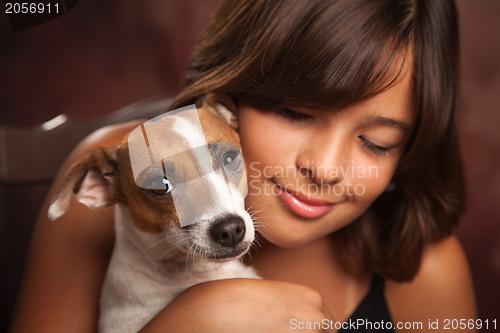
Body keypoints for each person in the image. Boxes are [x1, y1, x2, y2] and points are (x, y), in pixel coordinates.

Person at [10, 0, 477, 332]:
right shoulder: (121, 166)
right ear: (231, 96)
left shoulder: (425, 267)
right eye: (295, 113)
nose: (326, 168)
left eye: (377, 143)